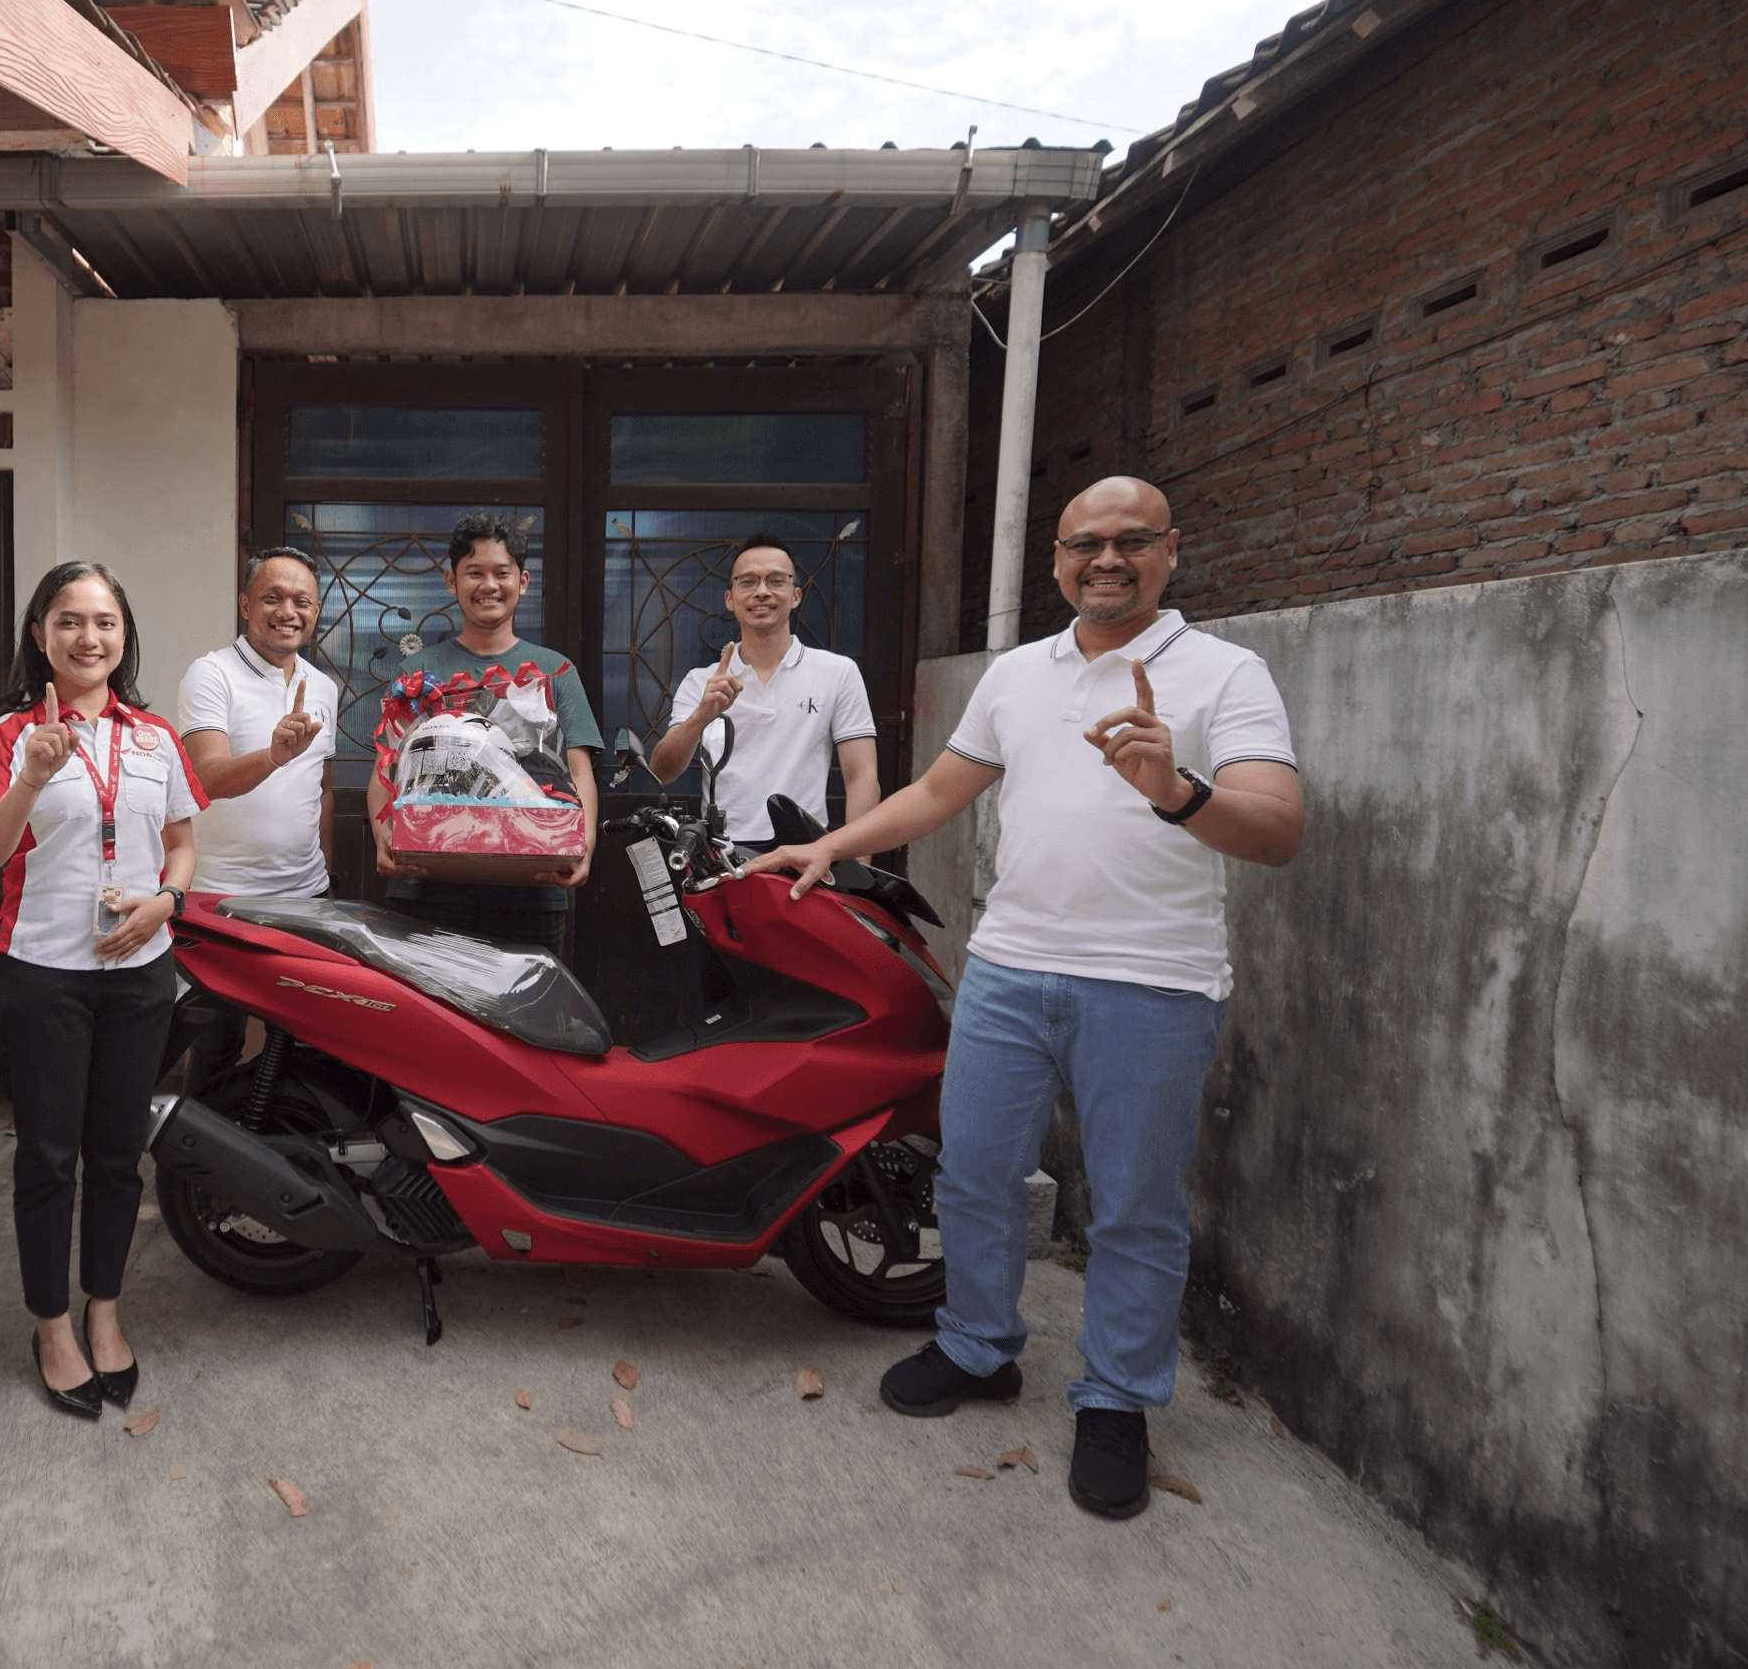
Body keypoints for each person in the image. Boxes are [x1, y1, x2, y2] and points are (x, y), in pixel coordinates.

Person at [746, 476, 1304, 1522]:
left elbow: (1277, 828)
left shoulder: (1224, 672)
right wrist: (828, 844)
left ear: (1169, 550)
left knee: (1134, 1206)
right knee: (976, 1175)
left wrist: (1177, 789)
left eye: (1129, 541)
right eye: (1081, 543)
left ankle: (1115, 1398)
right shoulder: (1016, 673)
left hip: (1151, 981)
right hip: (1009, 967)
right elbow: (936, 792)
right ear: (1054, 559)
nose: (1104, 559)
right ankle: (977, 1344)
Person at [0, 560, 203, 1421]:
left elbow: (179, 844)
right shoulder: (3, 739)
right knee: (47, 1156)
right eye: (68, 621)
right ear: (39, 634)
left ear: (123, 635)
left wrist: (165, 901)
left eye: (103, 621)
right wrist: (30, 773)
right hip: (43, 974)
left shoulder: (154, 738)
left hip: (140, 972)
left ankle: (105, 1309)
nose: (87, 637)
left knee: (115, 1155)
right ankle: (51, 1324)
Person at [367, 512, 601, 956]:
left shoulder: (556, 671)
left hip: (532, 888)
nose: (489, 585)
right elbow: (385, 767)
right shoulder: (416, 672)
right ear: (451, 581)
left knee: (527, 1016)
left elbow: (579, 770)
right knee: (431, 1020)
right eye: (474, 573)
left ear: (524, 581)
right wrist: (383, 837)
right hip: (427, 884)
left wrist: (583, 843)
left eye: (502, 573)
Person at [647, 531, 882, 846]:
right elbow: (662, 771)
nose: (761, 592)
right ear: (730, 599)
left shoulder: (837, 673)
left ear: (796, 595)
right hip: (722, 852)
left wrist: (857, 866)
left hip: (807, 851)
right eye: (747, 582)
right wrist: (703, 714)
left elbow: (862, 778)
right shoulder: (702, 681)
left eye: (775, 580)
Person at [178, 546, 338, 899]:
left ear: (316, 611)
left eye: (301, 602)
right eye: (272, 598)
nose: (287, 612)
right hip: (222, 894)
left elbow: (321, 787)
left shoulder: (323, 687)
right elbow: (204, 778)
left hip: (310, 893)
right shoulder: (211, 674)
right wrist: (272, 757)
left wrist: (328, 872)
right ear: (246, 605)